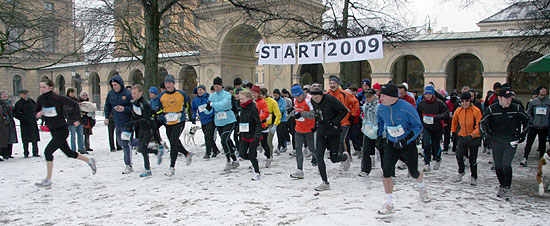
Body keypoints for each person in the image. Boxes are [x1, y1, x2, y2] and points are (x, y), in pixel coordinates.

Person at [34, 79, 96, 187]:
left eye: (44, 87)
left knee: (48, 152)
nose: (42, 89)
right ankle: (89, 161)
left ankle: (48, 179)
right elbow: (35, 111)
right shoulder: (41, 99)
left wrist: (77, 119)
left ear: (50, 87)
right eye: (40, 87)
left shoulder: (57, 98)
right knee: (69, 153)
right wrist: (38, 114)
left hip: (62, 130)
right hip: (53, 130)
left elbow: (75, 104)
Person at [376, 83, 426, 214]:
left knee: (413, 172)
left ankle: (421, 185)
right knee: (386, 171)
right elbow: (381, 122)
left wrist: (406, 139)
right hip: (391, 143)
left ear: (392, 96)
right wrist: (380, 137)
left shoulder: (407, 108)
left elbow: (418, 126)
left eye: (383, 95)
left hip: (407, 144)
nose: (380, 98)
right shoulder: (381, 108)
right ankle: (389, 203)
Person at [480, 87, 529, 200]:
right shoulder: (492, 109)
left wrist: (522, 134)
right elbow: (483, 123)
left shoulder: (516, 108)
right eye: (506, 98)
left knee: (506, 164)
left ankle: (507, 187)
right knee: (498, 166)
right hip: (496, 140)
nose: (508, 100)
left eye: (510, 98)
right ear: (500, 98)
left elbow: (527, 120)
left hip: (511, 140)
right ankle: (502, 185)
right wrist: (486, 136)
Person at [310, 83, 350, 191]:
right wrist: (315, 126)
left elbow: (344, 111)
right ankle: (325, 182)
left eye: (318, 97)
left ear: (321, 95)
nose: (316, 99)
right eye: (314, 97)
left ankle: (344, 157)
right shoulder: (312, 101)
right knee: (319, 156)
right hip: (321, 132)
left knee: (334, 158)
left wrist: (334, 122)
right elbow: (317, 114)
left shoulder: (331, 100)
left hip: (333, 132)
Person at [158, 74, 193, 176]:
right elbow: (158, 109)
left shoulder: (181, 94)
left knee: (173, 142)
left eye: (169, 83)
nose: (168, 85)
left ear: (173, 84)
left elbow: (187, 104)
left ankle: (171, 167)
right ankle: (187, 154)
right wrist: (161, 115)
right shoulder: (161, 96)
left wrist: (189, 114)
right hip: (168, 122)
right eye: (166, 83)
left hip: (179, 121)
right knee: (174, 141)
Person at [127, 85, 164, 177]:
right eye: (132, 93)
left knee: (143, 147)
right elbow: (135, 115)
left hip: (149, 127)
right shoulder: (134, 102)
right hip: (142, 128)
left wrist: (133, 123)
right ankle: (154, 157)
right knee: (141, 148)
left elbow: (146, 119)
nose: (133, 95)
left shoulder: (145, 103)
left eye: (135, 93)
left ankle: (148, 167)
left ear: (140, 93)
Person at [206, 77, 240, 171]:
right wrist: (206, 109)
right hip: (219, 120)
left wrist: (212, 105)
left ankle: (228, 161)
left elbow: (223, 104)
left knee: (224, 140)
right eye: (214, 86)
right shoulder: (212, 96)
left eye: (217, 86)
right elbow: (208, 109)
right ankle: (234, 160)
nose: (216, 88)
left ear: (221, 86)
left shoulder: (227, 95)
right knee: (227, 141)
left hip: (229, 119)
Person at [326, 76, 360, 168]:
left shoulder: (344, 94)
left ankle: (345, 158)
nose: (332, 85)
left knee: (342, 139)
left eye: (334, 83)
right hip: (332, 122)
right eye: (331, 83)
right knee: (335, 140)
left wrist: (353, 115)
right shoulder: (327, 94)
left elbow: (355, 103)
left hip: (344, 121)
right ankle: (342, 156)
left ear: (338, 84)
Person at [104, 74, 134, 174]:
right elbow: (107, 105)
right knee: (121, 142)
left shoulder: (127, 94)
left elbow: (134, 108)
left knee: (125, 143)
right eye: (112, 85)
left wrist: (124, 109)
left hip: (128, 122)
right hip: (117, 122)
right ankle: (143, 143)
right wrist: (107, 117)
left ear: (120, 84)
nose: (114, 87)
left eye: (116, 85)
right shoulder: (111, 94)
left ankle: (128, 165)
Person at [451, 92, 482, 185]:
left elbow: (479, 125)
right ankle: (461, 171)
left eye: (467, 101)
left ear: (470, 101)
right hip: (462, 135)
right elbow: (454, 122)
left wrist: (473, 135)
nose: (465, 103)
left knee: (473, 158)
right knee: (459, 155)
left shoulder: (476, 111)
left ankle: (474, 176)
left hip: (473, 137)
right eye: (462, 101)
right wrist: (453, 132)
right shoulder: (458, 111)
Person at [417, 85, 449, 171]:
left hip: (437, 127)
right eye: (426, 94)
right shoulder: (421, 103)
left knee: (436, 144)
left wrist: (436, 118)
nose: (427, 96)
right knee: (426, 144)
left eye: (429, 94)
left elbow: (446, 113)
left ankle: (438, 158)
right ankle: (427, 163)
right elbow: (418, 113)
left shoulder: (439, 103)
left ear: (432, 94)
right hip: (426, 127)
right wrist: (421, 122)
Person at [289, 85, 317, 179]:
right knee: (298, 149)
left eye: (298, 96)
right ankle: (299, 170)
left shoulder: (309, 99)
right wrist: (292, 112)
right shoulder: (295, 100)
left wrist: (302, 114)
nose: (297, 98)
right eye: (295, 97)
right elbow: (296, 111)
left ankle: (320, 164)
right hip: (299, 129)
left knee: (312, 149)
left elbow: (314, 114)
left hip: (309, 129)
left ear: (302, 93)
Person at [236, 89, 262, 180]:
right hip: (244, 134)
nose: (241, 101)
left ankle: (257, 172)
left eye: (242, 99)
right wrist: (240, 129)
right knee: (242, 154)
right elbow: (242, 120)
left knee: (251, 154)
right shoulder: (242, 107)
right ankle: (254, 160)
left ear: (248, 98)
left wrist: (257, 134)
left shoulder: (253, 107)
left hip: (253, 134)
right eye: (240, 99)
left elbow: (258, 122)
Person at [522, 85, 550, 166]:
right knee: (529, 142)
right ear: (538, 91)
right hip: (534, 126)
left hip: (544, 126)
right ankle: (525, 157)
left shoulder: (548, 101)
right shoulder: (533, 102)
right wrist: (532, 120)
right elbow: (528, 112)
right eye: (542, 89)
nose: (544, 90)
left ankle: (541, 159)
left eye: (545, 89)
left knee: (542, 144)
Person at [191, 85, 220, 159]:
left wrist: (214, 114)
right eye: (198, 90)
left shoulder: (209, 97)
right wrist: (193, 117)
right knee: (208, 136)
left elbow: (215, 106)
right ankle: (215, 150)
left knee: (207, 135)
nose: (199, 91)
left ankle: (208, 153)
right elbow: (194, 109)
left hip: (211, 119)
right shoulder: (195, 99)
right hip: (203, 120)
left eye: (201, 90)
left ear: (204, 90)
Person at [358, 89, 379, 177]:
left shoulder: (379, 106)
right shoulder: (365, 106)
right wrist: (364, 126)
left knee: (382, 150)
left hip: (378, 130)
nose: (368, 98)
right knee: (366, 150)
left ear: (374, 96)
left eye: (370, 96)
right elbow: (365, 117)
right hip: (368, 130)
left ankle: (387, 169)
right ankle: (365, 170)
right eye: (366, 96)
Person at [13, 89, 40, 158]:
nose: (25, 95)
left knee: (34, 138)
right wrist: (23, 118)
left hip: (33, 122)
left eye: (26, 94)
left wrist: (36, 116)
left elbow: (37, 109)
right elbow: (16, 114)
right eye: (24, 94)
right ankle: (26, 152)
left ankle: (35, 152)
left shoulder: (31, 101)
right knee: (25, 139)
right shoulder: (19, 103)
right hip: (24, 123)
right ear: (21, 95)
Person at [251, 86, 271, 167]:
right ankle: (254, 160)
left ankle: (268, 157)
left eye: (255, 93)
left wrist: (257, 117)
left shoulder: (262, 102)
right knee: (253, 144)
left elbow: (266, 113)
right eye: (252, 93)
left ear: (258, 94)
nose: (253, 95)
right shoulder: (250, 102)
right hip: (254, 126)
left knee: (264, 143)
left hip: (263, 125)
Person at [261, 88, 282, 165]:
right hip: (261, 124)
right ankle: (265, 151)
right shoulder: (258, 102)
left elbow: (278, 114)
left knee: (268, 140)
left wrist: (275, 125)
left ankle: (269, 155)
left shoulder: (272, 102)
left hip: (270, 124)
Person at [66, 88, 86, 154]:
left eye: (73, 92)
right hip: (71, 121)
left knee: (80, 135)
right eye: (71, 93)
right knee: (73, 136)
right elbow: (67, 111)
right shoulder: (66, 101)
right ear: (68, 93)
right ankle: (73, 149)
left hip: (79, 120)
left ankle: (81, 148)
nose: (73, 94)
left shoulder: (76, 100)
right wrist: (75, 106)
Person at [0, 91, 18, 160]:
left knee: (11, 137)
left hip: (10, 121)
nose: (5, 95)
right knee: (4, 138)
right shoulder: (1, 104)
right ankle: (4, 153)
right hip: (3, 123)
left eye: (5, 94)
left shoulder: (9, 103)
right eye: (3, 94)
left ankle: (9, 153)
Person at [273, 89, 289, 154]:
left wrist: (276, 109)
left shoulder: (283, 100)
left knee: (281, 133)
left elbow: (284, 109)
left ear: (279, 94)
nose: (275, 96)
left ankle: (280, 146)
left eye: (276, 95)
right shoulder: (273, 100)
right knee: (278, 133)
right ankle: (282, 145)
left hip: (283, 119)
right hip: (276, 119)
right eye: (274, 95)